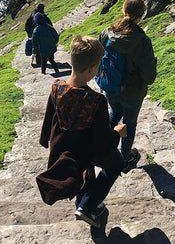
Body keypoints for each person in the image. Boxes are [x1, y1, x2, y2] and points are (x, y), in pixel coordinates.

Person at [36, 35, 127, 228]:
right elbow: (102, 141)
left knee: (82, 171)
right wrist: (117, 133)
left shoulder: (57, 87)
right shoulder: (96, 101)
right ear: (93, 69)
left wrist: (46, 140)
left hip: (65, 150)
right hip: (86, 151)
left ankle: (84, 202)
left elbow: (49, 117)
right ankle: (86, 205)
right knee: (116, 165)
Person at [98, 0, 157, 173]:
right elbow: (149, 77)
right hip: (133, 92)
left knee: (114, 112)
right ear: (142, 14)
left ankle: (102, 147)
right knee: (129, 123)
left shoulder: (107, 32)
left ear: (124, 9)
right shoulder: (142, 41)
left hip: (111, 86)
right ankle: (124, 159)